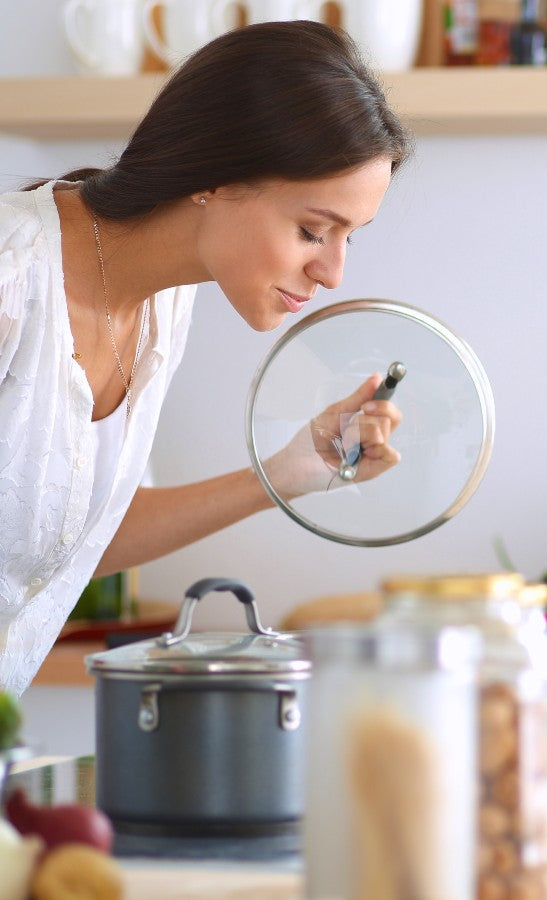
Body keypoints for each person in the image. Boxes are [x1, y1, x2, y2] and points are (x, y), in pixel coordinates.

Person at [0, 20, 414, 696]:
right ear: (213, 179)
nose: (334, 272)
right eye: (313, 230)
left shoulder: (164, 306)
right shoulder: (12, 272)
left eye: (350, 238)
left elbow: (67, 540)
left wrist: (282, 476)